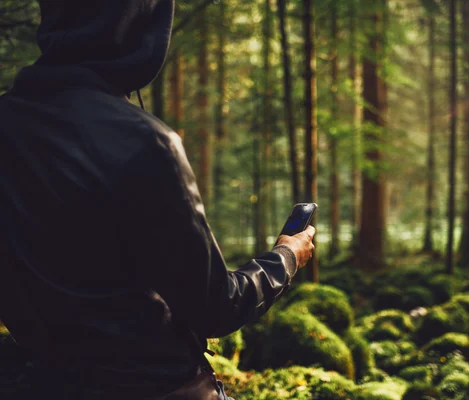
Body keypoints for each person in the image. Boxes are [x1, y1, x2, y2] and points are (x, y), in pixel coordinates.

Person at [0, 0, 315, 398]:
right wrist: (286, 255)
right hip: (159, 386)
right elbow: (216, 308)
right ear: (140, 28)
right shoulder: (144, 142)